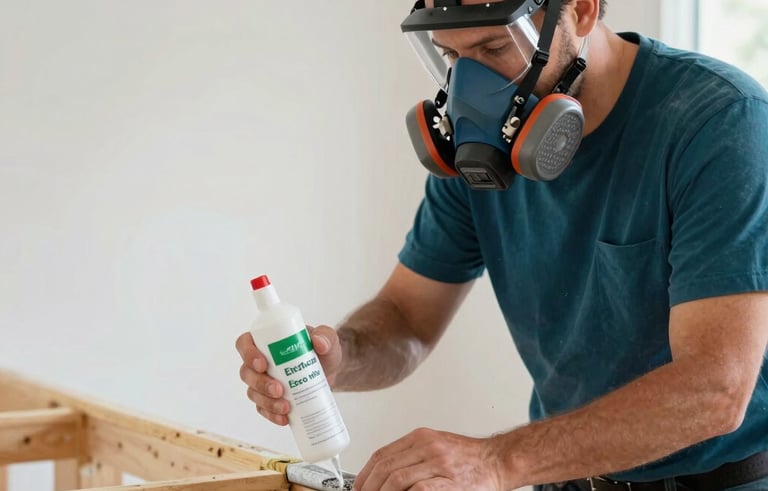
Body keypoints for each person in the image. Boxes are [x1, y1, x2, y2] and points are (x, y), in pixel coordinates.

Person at [237, 0, 768, 489]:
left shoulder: (720, 122)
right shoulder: (478, 152)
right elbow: (407, 318)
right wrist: (338, 357)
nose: (471, 86)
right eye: (451, 55)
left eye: (493, 49)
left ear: (579, 10)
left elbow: (714, 390)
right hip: (565, 478)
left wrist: (496, 461)